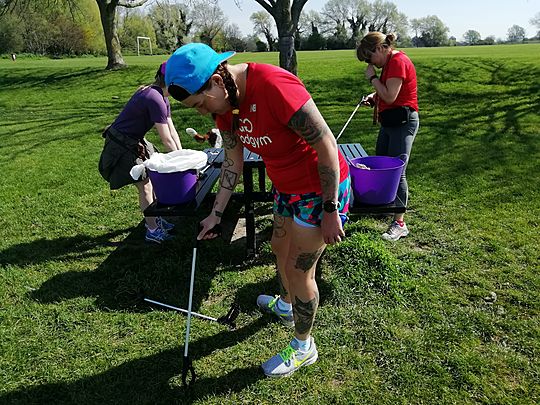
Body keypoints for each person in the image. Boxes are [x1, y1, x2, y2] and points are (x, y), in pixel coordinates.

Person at [165, 43, 350, 378]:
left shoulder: (274, 87)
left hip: (318, 189)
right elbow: (232, 162)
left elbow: (326, 143)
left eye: (200, 103)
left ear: (218, 82)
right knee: (279, 247)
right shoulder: (225, 107)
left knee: (299, 270)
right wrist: (216, 213)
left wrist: (330, 208)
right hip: (285, 186)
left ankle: (303, 346)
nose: (202, 112)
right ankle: (285, 305)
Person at [98, 62, 182, 243]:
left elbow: (172, 131)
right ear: (172, 81)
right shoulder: (154, 98)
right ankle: (152, 229)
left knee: (151, 178)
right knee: (144, 184)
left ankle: (156, 220)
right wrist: (181, 165)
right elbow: (166, 139)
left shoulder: (162, 97)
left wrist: (182, 156)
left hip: (133, 140)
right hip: (121, 144)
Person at [356, 32, 419, 241]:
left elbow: (391, 95)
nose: (369, 62)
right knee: (382, 165)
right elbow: (389, 93)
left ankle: (400, 223)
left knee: (396, 170)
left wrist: (372, 78)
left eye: (369, 57)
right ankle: (385, 206)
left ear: (381, 48)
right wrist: (374, 98)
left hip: (403, 122)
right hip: (390, 121)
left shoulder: (398, 61)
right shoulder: (389, 62)